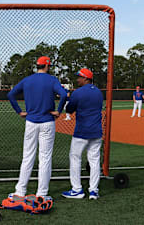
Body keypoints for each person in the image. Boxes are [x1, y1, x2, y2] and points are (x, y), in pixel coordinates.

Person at [7, 56, 68, 199]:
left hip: (31, 122)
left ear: (38, 65)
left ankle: (20, 191)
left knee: (27, 157)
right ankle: (42, 193)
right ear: (47, 66)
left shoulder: (27, 80)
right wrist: (58, 111)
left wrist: (19, 111)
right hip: (47, 121)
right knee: (45, 158)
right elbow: (64, 94)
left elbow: (11, 94)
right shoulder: (52, 80)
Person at [62, 68, 103, 201]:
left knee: (75, 158)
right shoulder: (98, 92)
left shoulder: (78, 92)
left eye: (80, 77)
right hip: (96, 131)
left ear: (86, 78)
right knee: (94, 160)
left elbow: (69, 109)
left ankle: (77, 190)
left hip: (82, 131)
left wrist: (66, 99)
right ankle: (94, 191)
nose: (78, 79)